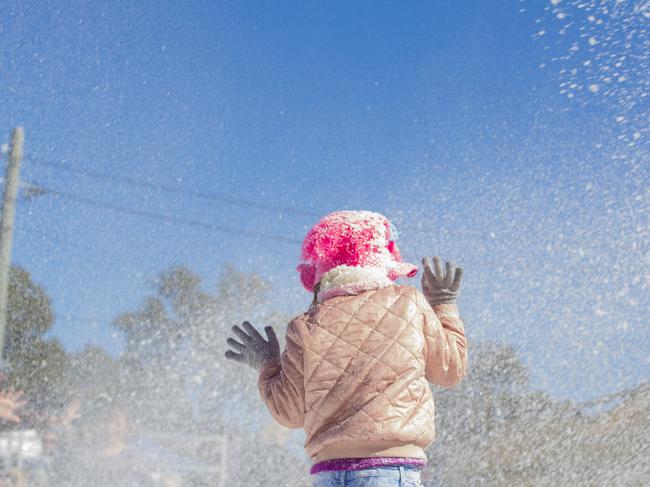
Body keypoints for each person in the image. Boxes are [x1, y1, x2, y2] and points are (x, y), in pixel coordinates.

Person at [225, 210, 468, 486]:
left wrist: (268, 363)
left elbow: (290, 413)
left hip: (328, 474)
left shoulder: (304, 326)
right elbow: (451, 370)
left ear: (320, 273)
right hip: (391, 470)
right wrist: (444, 304)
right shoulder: (409, 304)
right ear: (383, 260)